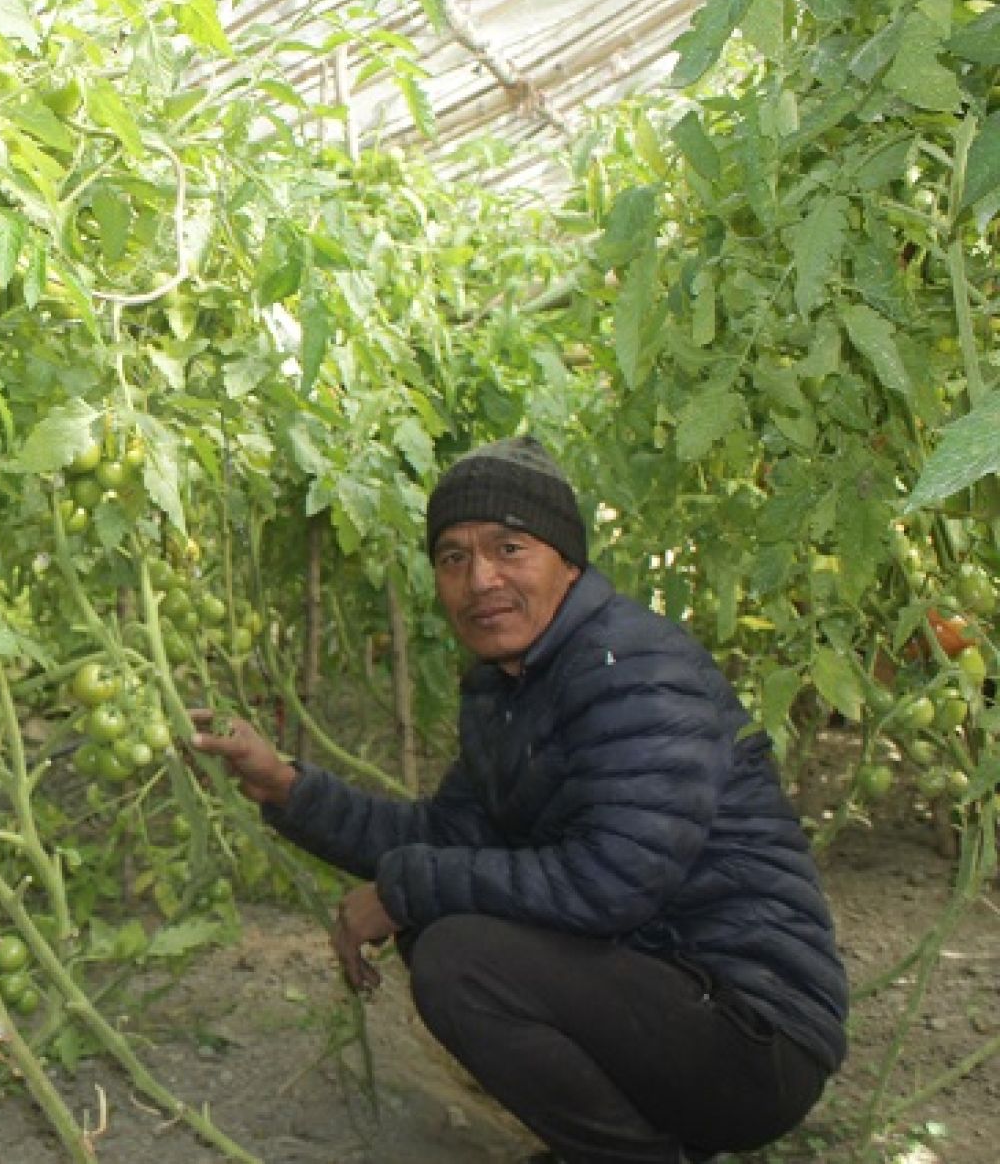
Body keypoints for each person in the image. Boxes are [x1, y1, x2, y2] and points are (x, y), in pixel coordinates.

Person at [193, 436, 847, 1164]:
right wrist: (285, 785)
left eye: (509, 548)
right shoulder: (511, 687)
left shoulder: (631, 668)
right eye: (453, 557)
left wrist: (404, 890)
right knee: (444, 930)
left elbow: (611, 882)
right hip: (668, 990)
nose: (480, 580)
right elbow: (447, 835)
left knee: (460, 957)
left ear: (568, 561)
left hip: (752, 1030)